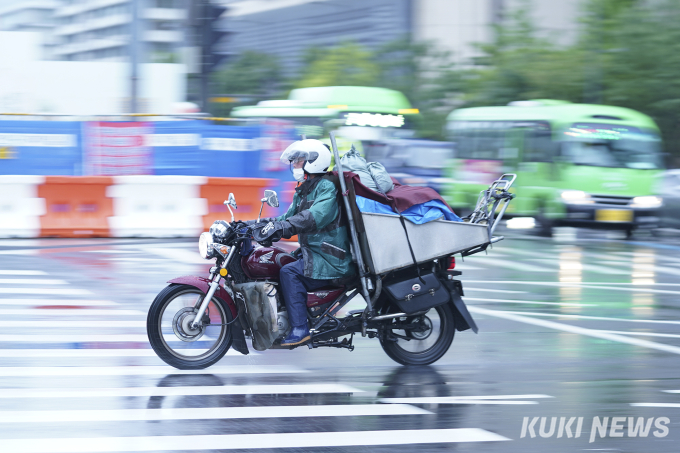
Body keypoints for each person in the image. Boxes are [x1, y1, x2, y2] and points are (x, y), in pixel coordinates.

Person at [250, 139, 356, 346]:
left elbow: (314, 216)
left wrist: (282, 228)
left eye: (299, 160)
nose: (295, 164)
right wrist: (253, 225)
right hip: (316, 252)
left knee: (289, 272)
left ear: (314, 162)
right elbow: (285, 218)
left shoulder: (325, 188)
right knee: (278, 262)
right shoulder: (305, 189)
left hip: (330, 257)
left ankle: (300, 329)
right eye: (295, 160)